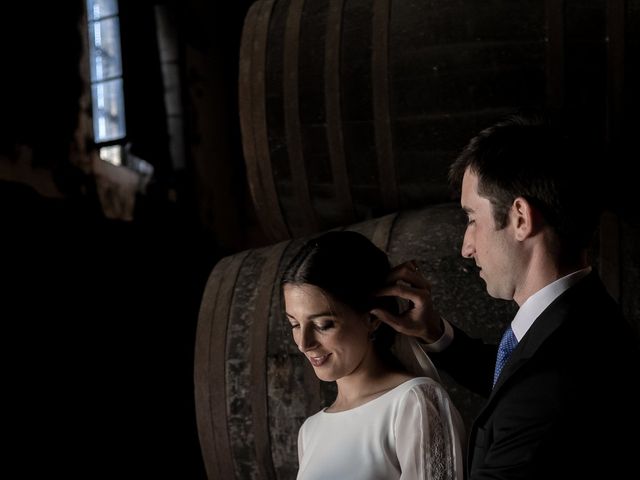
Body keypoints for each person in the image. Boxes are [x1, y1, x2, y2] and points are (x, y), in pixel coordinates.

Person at [373, 111, 640, 479]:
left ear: (520, 218)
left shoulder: (555, 376)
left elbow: (530, 396)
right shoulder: (578, 318)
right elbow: (511, 380)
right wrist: (434, 332)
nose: (467, 247)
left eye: (471, 219)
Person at [282, 230, 466, 480]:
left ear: (371, 319)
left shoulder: (412, 402)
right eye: (294, 324)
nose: (304, 343)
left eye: (323, 324)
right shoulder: (309, 431)